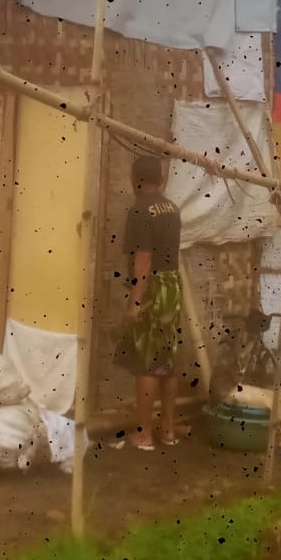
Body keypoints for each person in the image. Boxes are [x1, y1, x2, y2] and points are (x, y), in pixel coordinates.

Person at [122, 154, 184, 450]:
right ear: (161, 180)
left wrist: (135, 301)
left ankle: (144, 434)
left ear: (135, 181)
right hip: (172, 286)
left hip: (152, 289)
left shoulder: (139, 211)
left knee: (146, 364)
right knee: (167, 361)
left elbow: (143, 259)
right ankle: (168, 430)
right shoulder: (171, 208)